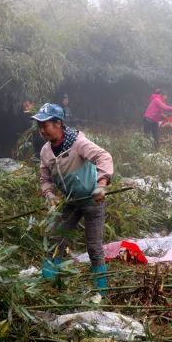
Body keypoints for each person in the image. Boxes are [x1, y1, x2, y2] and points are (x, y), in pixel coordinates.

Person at [31, 103, 114, 292]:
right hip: (71, 202)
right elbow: (44, 178)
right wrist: (49, 194)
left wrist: (101, 185)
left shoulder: (78, 143)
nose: (41, 130)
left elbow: (104, 157)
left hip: (93, 200)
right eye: (39, 126)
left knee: (93, 247)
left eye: (45, 125)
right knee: (56, 240)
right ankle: (47, 283)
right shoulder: (46, 151)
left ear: (58, 123)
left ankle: (101, 291)